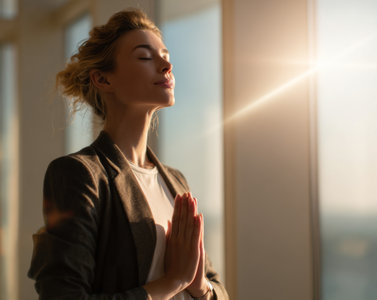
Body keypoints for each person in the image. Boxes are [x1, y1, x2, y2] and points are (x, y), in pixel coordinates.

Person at [28, 8, 228, 300]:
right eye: (145, 57)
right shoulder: (80, 174)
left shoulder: (175, 181)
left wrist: (199, 287)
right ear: (103, 79)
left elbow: (215, 287)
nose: (165, 66)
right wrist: (173, 281)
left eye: (166, 57)